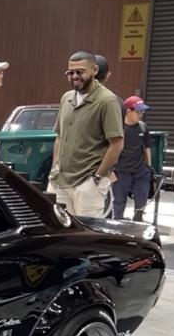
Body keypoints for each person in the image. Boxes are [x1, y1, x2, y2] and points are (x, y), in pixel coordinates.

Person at [47, 51, 124, 217]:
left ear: (94, 70)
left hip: (87, 183)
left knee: (86, 231)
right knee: (57, 228)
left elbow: (116, 143)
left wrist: (97, 178)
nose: (75, 76)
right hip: (59, 181)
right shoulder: (66, 98)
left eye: (80, 72)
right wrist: (55, 165)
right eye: (70, 72)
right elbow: (60, 136)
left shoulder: (107, 100)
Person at [112, 96, 152, 221]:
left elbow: (147, 148)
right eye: (139, 111)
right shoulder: (118, 128)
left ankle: (138, 222)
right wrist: (110, 170)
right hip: (121, 171)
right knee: (119, 201)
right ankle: (118, 223)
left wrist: (148, 167)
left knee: (141, 199)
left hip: (140, 170)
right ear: (129, 111)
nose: (141, 114)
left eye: (142, 112)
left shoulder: (143, 127)